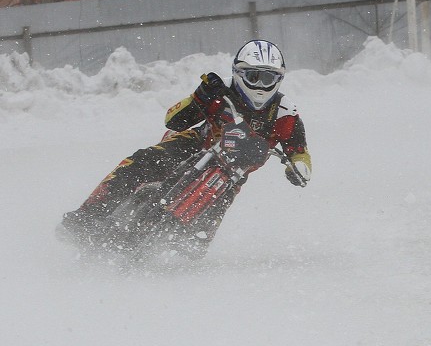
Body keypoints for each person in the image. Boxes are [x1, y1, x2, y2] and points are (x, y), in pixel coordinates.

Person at [60, 39, 311, 241]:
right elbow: (173, 120)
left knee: (198, 240)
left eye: (268, 78)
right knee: (136, 163)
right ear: (237, 73)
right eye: (253, 77)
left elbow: (300, 153)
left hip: (232, 173)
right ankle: (86, 217)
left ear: (278, 80)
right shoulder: (220, 89)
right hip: (195, 145)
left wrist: (298, 170)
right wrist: (199, 97)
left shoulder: (285, 113)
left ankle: (170, 253)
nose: (260, 85)